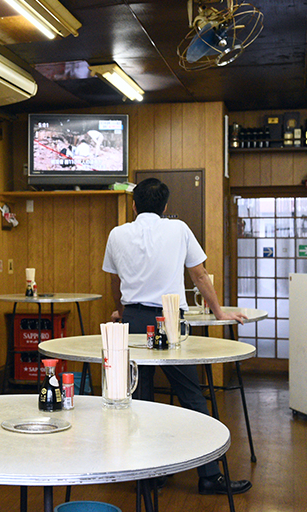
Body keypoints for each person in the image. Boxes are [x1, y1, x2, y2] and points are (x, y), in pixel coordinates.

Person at [102, 177, 252, 496]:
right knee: (191, 395)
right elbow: (198, 274)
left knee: (139, 398)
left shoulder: (117, 234)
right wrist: (220, 312)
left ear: (133, 205)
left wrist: (121, 311)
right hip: (169, 319)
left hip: (134, 320)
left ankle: (148, 474)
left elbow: (116, 283)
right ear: (165, 206)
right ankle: (210, 475)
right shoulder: (178, 228)